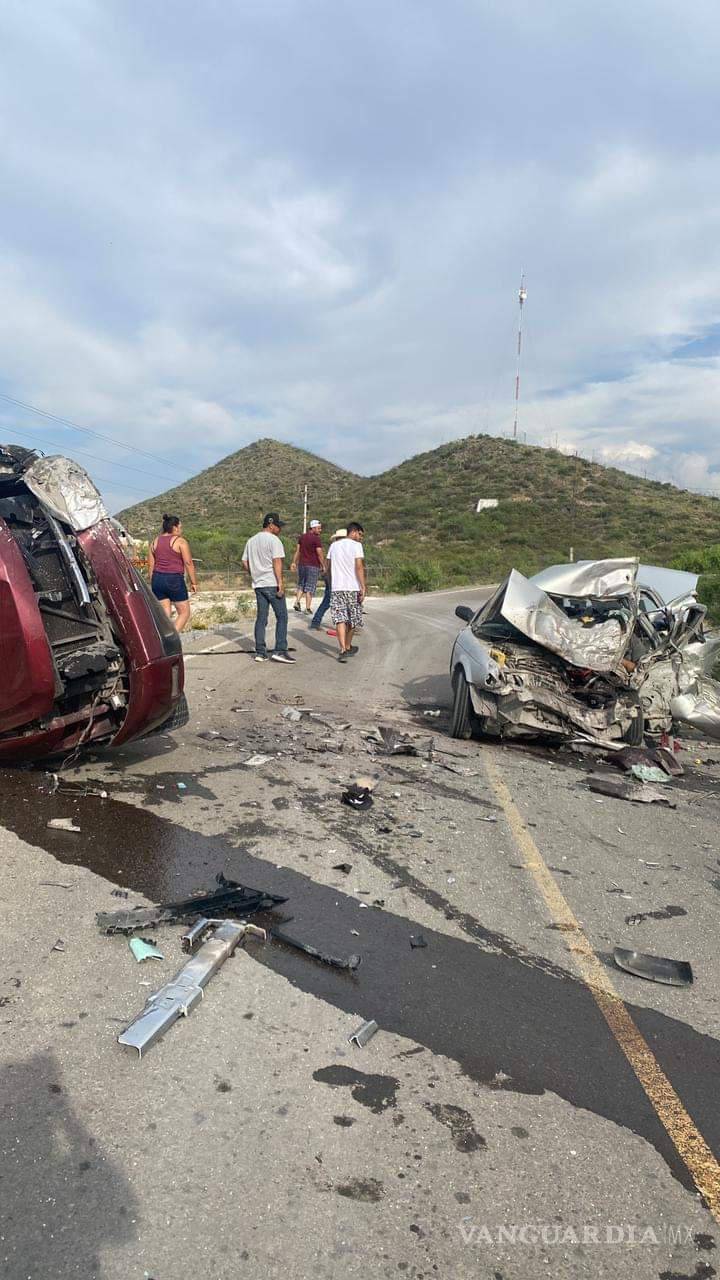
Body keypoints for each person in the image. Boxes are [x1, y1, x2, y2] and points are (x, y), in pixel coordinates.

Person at [241, 513, 296, 664]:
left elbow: (244, 561)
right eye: (278, 526)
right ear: (271, 525)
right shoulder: (274, 540)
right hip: (272, 583)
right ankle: (280, 650)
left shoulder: (251, 540)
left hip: (258, 584)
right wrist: (280, 583)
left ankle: (260, 652)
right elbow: (277, 561)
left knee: (261, 618)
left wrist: (254, 574)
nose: (280, 529)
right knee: (282, 617)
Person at [148, 514, 197, 632]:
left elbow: (151, 565)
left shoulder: (154, 541)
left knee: (164, 612)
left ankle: (160, 638)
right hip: (173, 579)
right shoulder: (180, 541)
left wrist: (153, 581)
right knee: (184, 612)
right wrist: (194, 582)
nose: (181, 529)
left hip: (157, 579)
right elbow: (188, 563)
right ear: (175, 527)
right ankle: (171, 640)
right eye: (180, 526)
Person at [326, 522, 366, 663]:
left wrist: (331, 584)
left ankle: (343, 648)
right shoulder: (356, 546)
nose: (360, 538)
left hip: (337, 588)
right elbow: (359, 567)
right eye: (360, 534)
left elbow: (328, 568)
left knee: (340, 618)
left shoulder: (333, 546)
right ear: (353, 532)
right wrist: (363, 586)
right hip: (353, 588)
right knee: (353, 619)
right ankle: (348, 645)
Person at [310, 528, 346, 630]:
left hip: (330, 576)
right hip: (336, 578)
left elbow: (327, 561)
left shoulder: (333, 547)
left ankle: (316, 622)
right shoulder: (343, 548)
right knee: (339, 602)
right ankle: (347, 626)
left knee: (327, 601)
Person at [291, 519, 325, 614]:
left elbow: (298, 551)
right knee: (310, 586)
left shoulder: (302, 537)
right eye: (318, 528)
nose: (320, 530)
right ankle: (308, 608)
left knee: (301, 584)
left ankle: (297, 601)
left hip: (302, 565)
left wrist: (294, 562)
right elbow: (319, 553)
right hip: (313, 565)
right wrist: (323, 565)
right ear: (313, 528)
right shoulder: (316, 538)